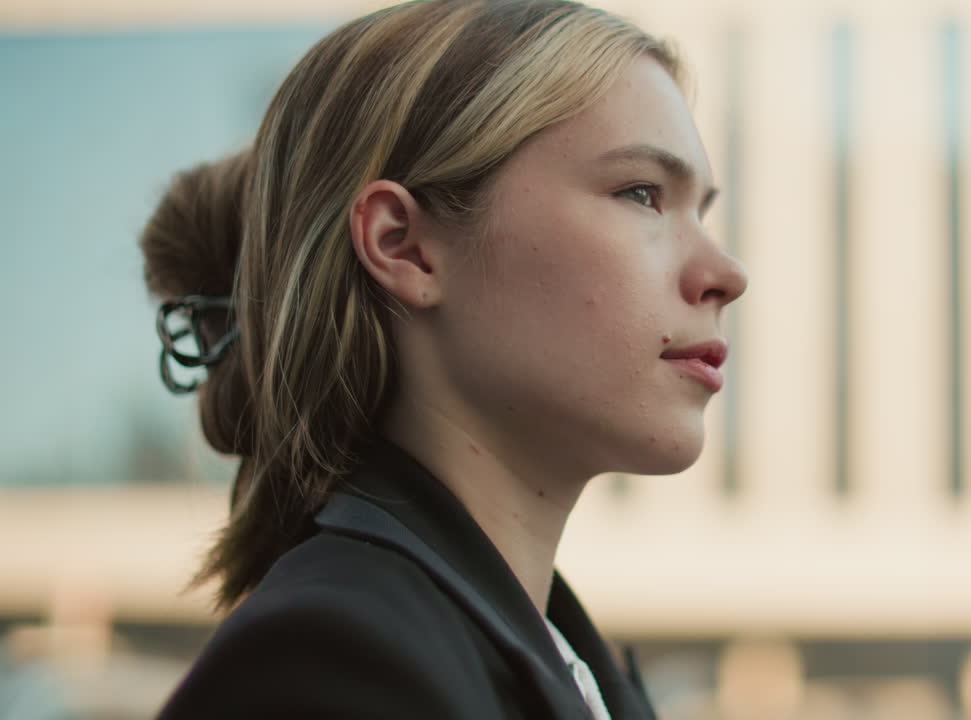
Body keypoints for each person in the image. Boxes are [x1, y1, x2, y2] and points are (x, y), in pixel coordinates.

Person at [140, 0, 747, 717]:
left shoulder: (544, 658)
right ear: (405, 244)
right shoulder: (331, 668)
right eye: (642, 193)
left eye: (699, 210)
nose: (725, 274)